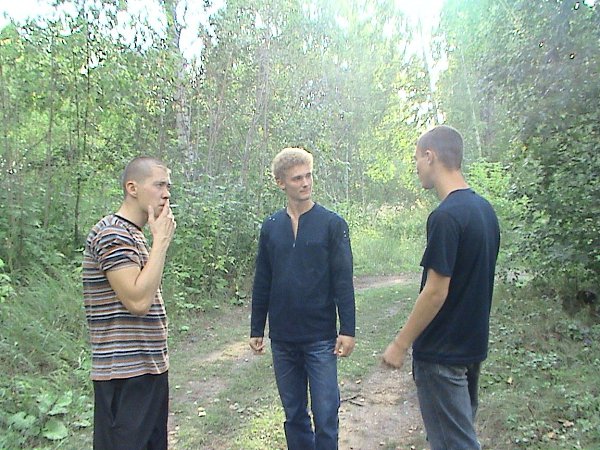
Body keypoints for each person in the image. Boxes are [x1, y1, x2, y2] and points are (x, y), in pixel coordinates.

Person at [382, 125, 500, 449]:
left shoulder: (446, 217)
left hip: (441, 355)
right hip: (471, 349)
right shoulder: (485, 211)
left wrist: (400, 344)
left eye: (417, 159)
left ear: (430, 156)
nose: (416, 167)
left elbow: (436, 291)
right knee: (459, 438)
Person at [249, 147, 356, 450]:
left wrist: (348, 329)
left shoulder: (332, 224)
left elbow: (343, 280)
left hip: (320, 337)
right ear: (281, 182)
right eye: (297, 178)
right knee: (294, 414)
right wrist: (257, 328)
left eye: (308, 176)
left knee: (326, 414)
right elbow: (263, 280)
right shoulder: (271, 227)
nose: (305, 183)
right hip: (283, 338)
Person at [82, 156, 176, 450]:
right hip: (123, 375)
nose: (166, 194)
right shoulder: (112, 233)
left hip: (149, 369)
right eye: (159, 185)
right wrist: (161, 242)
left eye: (168, 187)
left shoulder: (133, 235)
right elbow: (137, 300)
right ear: (132, 188)